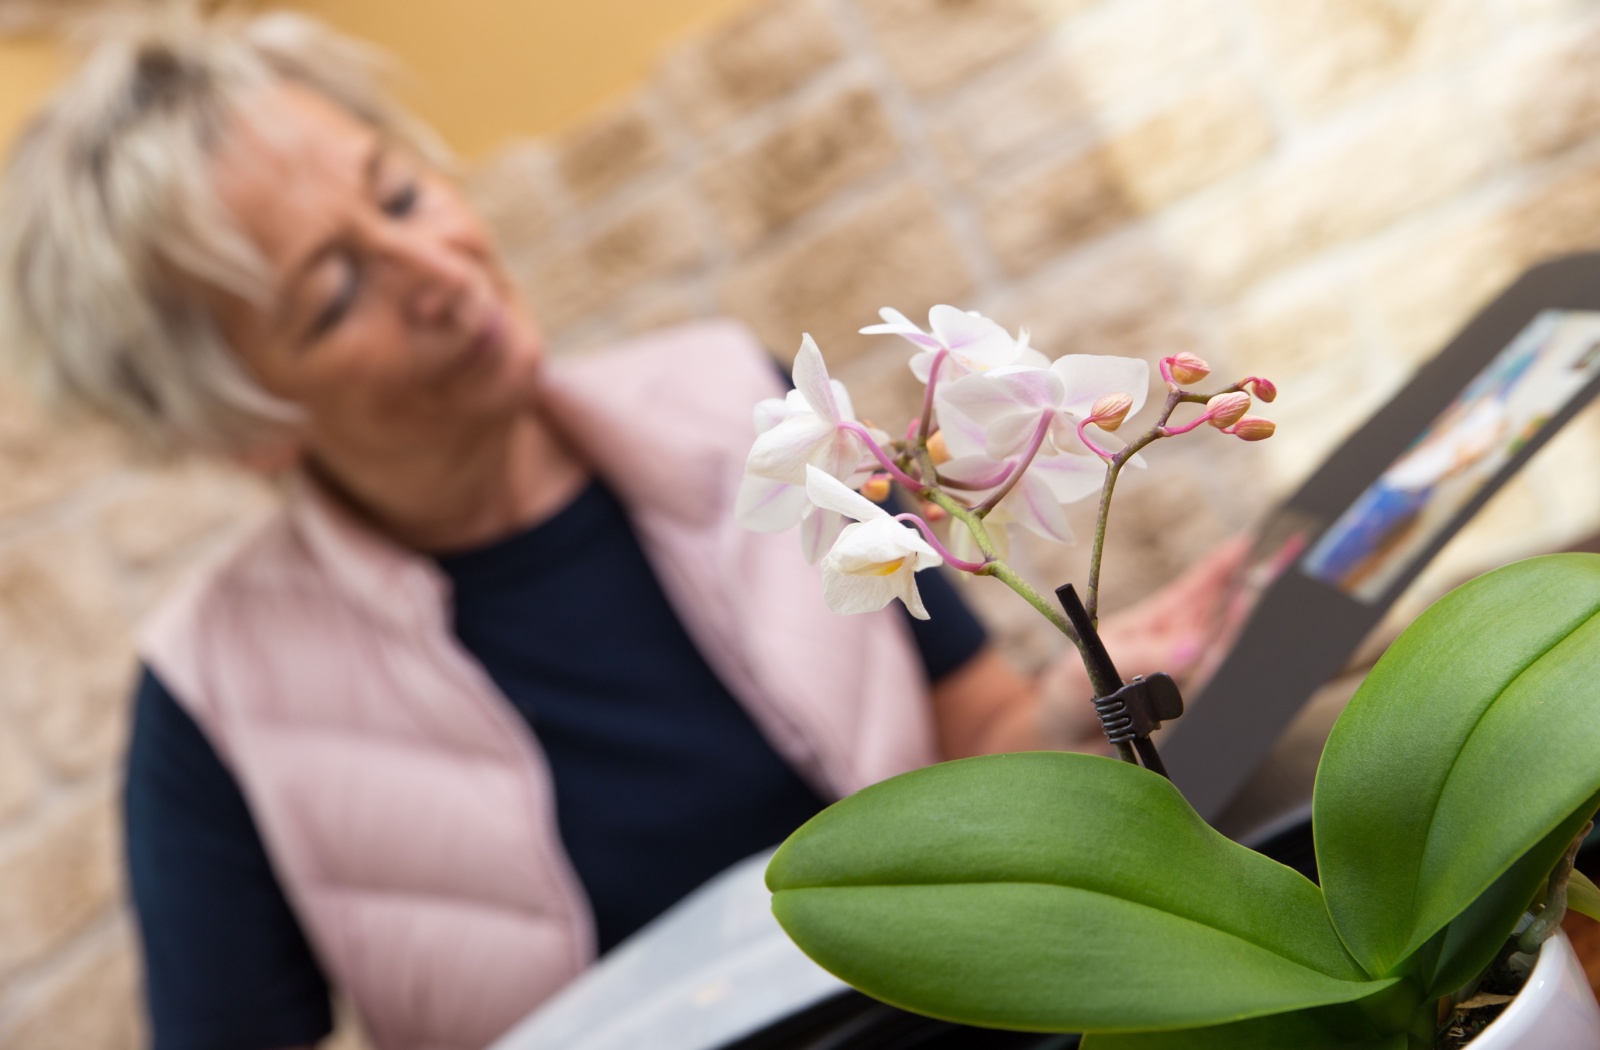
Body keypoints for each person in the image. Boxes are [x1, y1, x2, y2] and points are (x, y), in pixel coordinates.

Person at [0, 10, 1239, 1050]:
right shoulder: (212, 696)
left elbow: (965, 728)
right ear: (238, 423)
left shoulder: (742, 406)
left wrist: (1079, 709)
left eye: (399, 192)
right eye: (332, 292)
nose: (433, 264)